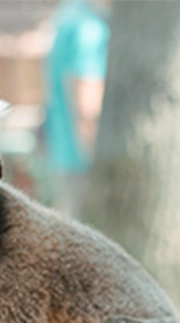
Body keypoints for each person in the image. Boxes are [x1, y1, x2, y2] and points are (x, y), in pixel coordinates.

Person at [41, 0, 110, 212]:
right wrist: (100, 172)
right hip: (84, 164)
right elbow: (87, 109)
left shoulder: (70, 14)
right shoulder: (88, 29)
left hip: (64, 157)